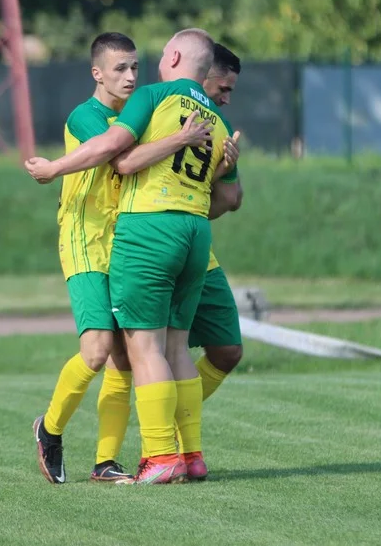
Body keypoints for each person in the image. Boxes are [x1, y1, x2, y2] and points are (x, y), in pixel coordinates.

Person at [26, 28, 238, 484]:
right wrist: (180, 139)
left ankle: (106, 461)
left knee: (126, 355)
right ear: (97, 73)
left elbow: (215, 192)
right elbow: (117, 155)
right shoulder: (89, 116)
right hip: (88, 238)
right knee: (100, 347)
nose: (130, 77)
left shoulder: (153, 109)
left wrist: (215, 165)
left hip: (126, 237)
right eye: (120, 69)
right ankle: (50, 427)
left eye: (135, 67)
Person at [107, 43, 243, 480]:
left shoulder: (152, 96)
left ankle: (160, 454)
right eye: (224, 86)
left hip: (151, 228)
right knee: (175, 348)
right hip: (194, 235)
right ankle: (191, 456)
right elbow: (229, 198)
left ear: (175, 59)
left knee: (143, 348)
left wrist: (55, 167)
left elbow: (119, 157)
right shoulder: (219, 123)